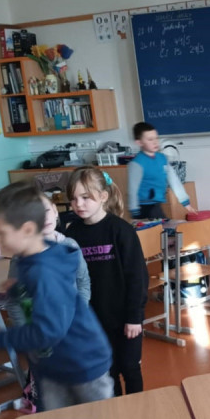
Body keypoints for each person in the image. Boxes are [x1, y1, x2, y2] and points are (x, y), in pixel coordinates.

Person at [0, 182, 114, 411]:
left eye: (2, 234)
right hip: (55, 362)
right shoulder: (31, 258)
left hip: (82, 364)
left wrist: (6, 338)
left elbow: (49, 330)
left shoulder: (43, 272)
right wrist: (17, 289)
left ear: (27, 230)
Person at [65, 167, 147, 395]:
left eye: (86, 197)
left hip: (125, 318)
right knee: (107, 372)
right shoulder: (72, 235)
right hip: (93, 320)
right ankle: (116, 412)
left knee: (130, 367)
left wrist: (134, 317)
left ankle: (137, 410)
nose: (79, 204)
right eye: (73, 199)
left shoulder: (121, 230)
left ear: (103, 196)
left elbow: (137, 278)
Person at [127, 122, 195, 220]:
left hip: (156, 205)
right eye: (150, 139)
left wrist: (186, 203)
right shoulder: (137, 163)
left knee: (164, 225)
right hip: (142, 208)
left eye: (156, 138)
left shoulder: (162, 158)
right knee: (162, 227)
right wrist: (135, 213)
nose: (155, 142)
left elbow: (174, 181)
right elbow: (132, 190)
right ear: (139, 142)